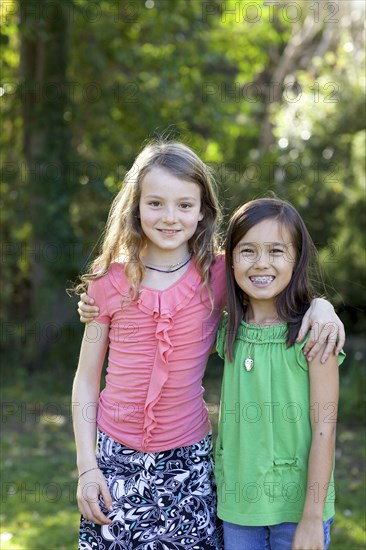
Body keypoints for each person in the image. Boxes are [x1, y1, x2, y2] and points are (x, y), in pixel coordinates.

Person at [73, 140, 344, 549]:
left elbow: (272, 282)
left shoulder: (217, 274)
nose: (169, 217)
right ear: (135, 207)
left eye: (184, 205)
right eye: (155, 204)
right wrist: (86, 467)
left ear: (203, 211)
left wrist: (322, 305)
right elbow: (85, 381)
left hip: (190, 460)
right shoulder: (107, 282)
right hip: (114, 460)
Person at [215, 198, 345, 550]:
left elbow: (324, 429)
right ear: (230, 259)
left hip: (298, 509)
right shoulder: (227, 328)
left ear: (297, 257)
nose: (261, 263)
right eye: (247, 251)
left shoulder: (314, 333)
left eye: (276, 250)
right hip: (239, 509)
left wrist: (313, 517)